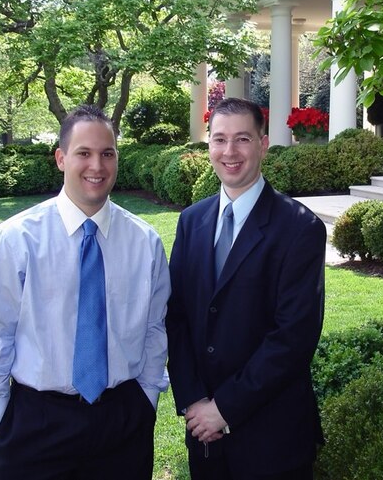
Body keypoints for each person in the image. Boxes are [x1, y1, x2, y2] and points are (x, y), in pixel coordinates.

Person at [0, 104, 171, 480]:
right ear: (61, 158)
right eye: (84, 153)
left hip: (122, 422)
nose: (97, 166)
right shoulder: (17, 239)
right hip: (36, 422)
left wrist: (147, 399)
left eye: (107, 154)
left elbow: (154, 329)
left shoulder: (145, 242)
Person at [166, 97, 326, 480]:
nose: (229, 151)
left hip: (273, 437)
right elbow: (175, 317)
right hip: (204, 434)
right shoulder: (192, 221)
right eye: (219, 140)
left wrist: (224, 409)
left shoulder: (300, 228)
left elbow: (293, 337)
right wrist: (193, 401)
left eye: (242, 139)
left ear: (263, 144)